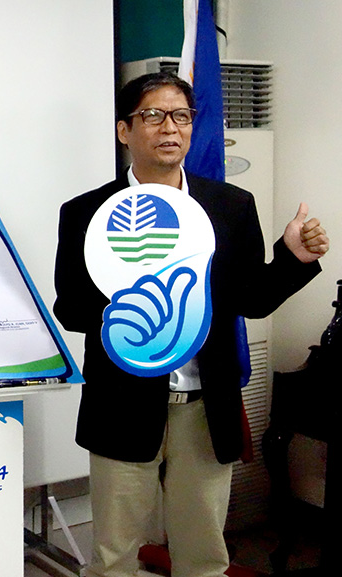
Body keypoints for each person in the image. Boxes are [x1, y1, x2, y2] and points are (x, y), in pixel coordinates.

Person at [53, 71, 330, 577]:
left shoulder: (230, 206)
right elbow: (69, 308)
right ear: (124, 130)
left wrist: (292, 258)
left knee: (203, 558)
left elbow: (252, 300)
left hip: (205, 409)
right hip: (122, 404)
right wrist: (136, 306)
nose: (169, 128)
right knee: (113, 559)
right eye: (153, 115)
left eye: (181, 116)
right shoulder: (85, 213)